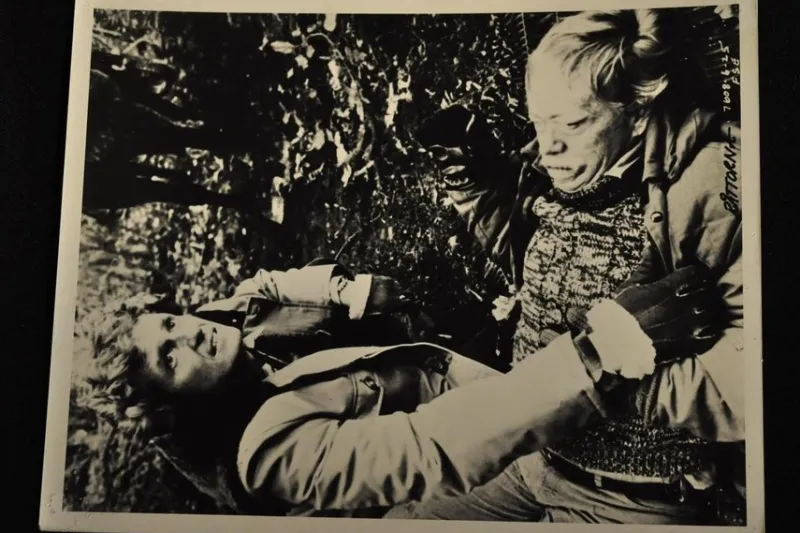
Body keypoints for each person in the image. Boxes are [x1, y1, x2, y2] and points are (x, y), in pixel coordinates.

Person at [407, 8, 744, 525]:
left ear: (638, 110)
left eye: (572, 122)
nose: (550, 146)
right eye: (541, 121)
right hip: (528, 457)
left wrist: (596, 370)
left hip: (628, 495)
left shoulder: (713, 191)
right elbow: (534, 256)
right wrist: (474, 186)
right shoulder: (568, 165)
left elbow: (746, 384)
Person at [76, 256, 718, 517]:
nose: (189, 334)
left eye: (170, 323)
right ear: (172, 403)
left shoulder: (222, 330)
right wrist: (600, 352)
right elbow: (430, 446)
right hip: (424, 494)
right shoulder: (265, 453)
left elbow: (260, 290)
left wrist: (343, 291)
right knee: (633, 497)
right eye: (168, 359)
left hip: (475, 400)